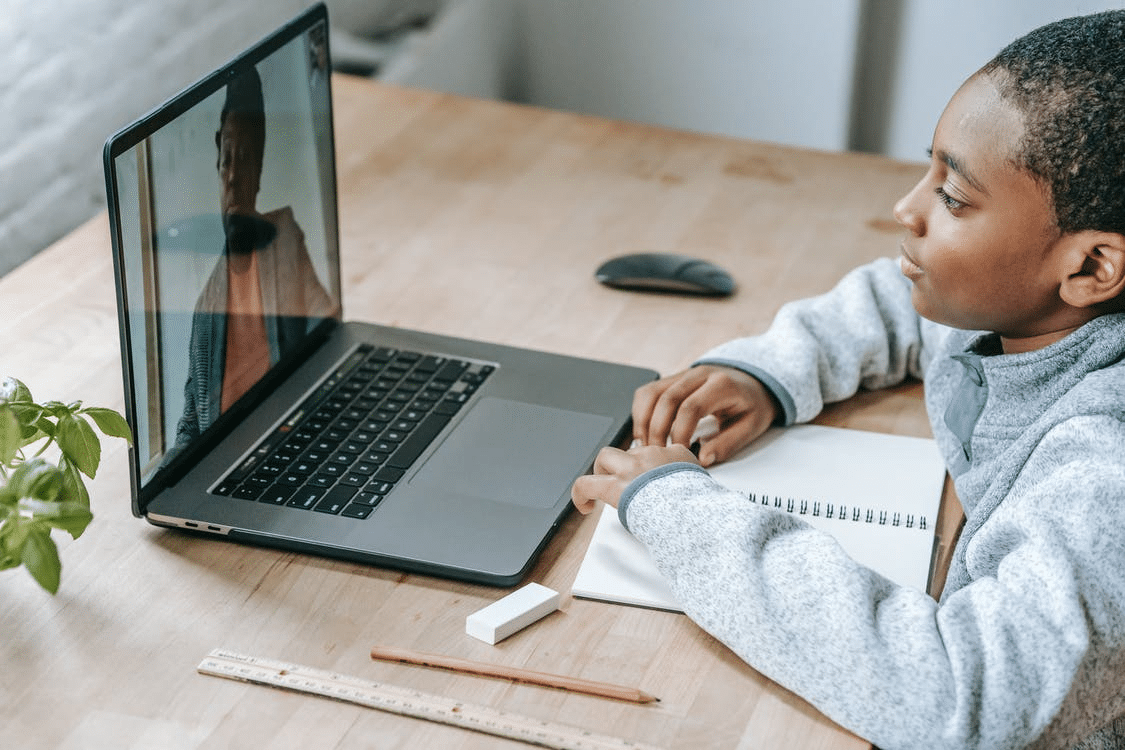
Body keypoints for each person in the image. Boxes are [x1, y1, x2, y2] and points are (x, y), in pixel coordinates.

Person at [571, 11, 1125, 750]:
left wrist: (679, 512)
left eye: (953, 199)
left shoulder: (1103, 471)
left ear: (1090, 268)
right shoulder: (1025, 307)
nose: (906, 209)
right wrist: (768, 370)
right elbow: (908, 299)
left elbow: (964, 704)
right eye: (929, 169)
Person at [172, 66, 334, 452]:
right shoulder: (205, 307)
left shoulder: (285, 241)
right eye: (227, 160)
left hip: (294, 445)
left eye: (244, 159)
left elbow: (325, 333)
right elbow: (190, 425)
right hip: (232, 463)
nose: (233, 178)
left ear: (258, 172)